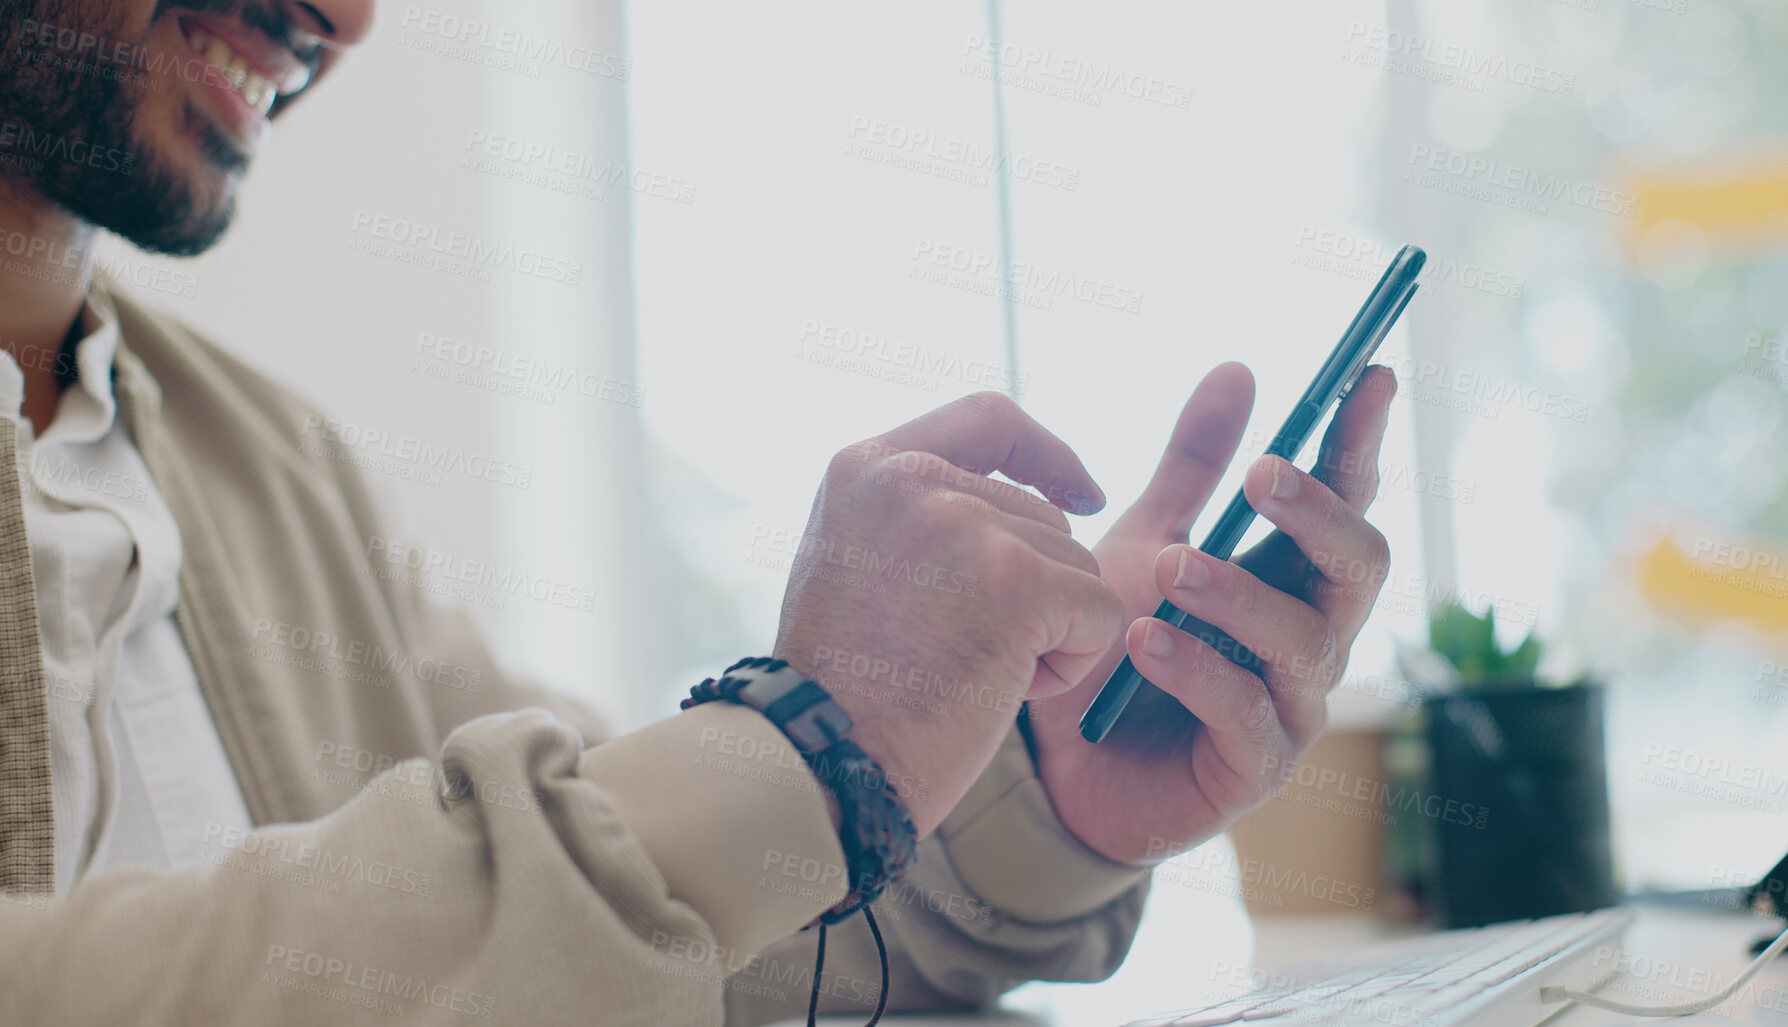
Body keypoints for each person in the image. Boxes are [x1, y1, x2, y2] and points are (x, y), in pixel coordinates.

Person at [0, 1, 1398, 1023]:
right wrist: (794, 744)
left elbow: (649, 936)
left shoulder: (274, 467)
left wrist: (1034, 785)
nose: (348, 18)